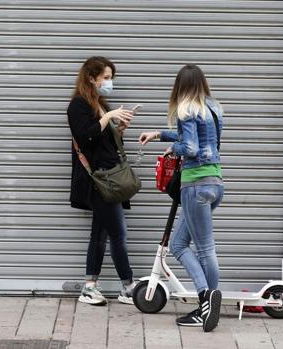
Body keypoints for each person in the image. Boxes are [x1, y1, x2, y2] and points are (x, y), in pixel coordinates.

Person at [139, 64, 224, 332]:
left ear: (180, 85)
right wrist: (159, 134)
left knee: (202, 249)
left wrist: (172, 148)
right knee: (178, 243)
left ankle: (205, 297)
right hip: (215, 183)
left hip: (195, 184)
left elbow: (189, 146)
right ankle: (210, 302)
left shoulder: (186, 107)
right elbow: (198, 139)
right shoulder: (213, 107)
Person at [67, 56, 136, 306]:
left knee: (101, 233)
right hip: (97, 180)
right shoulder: (78, 106)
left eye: (111, 78)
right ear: (91, 78)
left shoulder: (100, 104)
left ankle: (89, 287)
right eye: (106, 77)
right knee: (118, 232)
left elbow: (104, 144)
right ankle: (128, 286)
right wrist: (108, 118)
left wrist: (119, 130)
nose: (109, 82)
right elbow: (86, 137)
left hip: (109, 178)